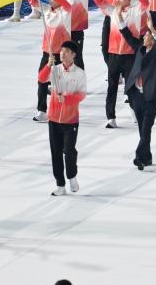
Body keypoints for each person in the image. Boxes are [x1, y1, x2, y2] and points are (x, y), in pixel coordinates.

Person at [92, 0, 148, 129]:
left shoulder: (136, 11)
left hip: (129, 56)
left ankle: (134, 110)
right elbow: (99, 2)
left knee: (130, 88)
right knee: (112, 87)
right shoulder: (112, 12)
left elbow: (145, 3)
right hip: (114, 56)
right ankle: (111, 117)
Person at [38, 42, 87, 196]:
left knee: (69, 150)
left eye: (66, 51)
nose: (62, 54)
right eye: (61, 51)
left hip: (70, 120)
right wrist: (48, 65)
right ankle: (60, 184)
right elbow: (41, 79)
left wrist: (67, 99)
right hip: (53, 119)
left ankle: (72, 175)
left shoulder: (79, 73)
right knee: (56, 152)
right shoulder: (55, 69)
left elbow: (82, 94)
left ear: (73, 55)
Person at [121, 14, 156, 170]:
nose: (144, 37)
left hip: (151, 96)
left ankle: (139, 157)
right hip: (136, 95)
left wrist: (152, 29)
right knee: (142, 129)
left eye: (147, 35)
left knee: (146, 129)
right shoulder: (140, 49)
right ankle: (147, 157)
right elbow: (128, 37)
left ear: (152, 39)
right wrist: (119, 18)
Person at [33, 0, 72, 122]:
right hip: (47, 53)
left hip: (62, 54)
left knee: (60, 85)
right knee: (41, 80)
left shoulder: (66, 12)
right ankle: (42, 110)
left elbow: (66, 5)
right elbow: (34, 2)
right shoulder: (47, 10)